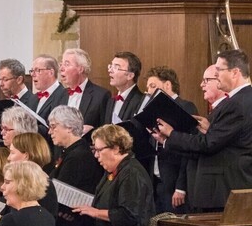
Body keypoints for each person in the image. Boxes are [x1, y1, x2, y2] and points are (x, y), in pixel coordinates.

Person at [155, 50, 252, 211]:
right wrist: (210, 129)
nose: (217, 74)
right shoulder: (241, 100)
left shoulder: (236, 103)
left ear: (235, 73)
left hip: (224, 190)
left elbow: (208, 145)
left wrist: (171, 134)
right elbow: (227, 140)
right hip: (225, 190)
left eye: (219, 70)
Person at [73, 124, 155, 226]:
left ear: (116, 149)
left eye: (99, 150)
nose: (96, 155)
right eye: (93, 150)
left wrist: (95, 212)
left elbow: (129, 214)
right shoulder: (112, 171)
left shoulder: (132, 173)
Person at [47, 106, 104, 226]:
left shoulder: (78, 156)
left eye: (54, 126)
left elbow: (60, 194)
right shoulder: (72, 152)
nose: (50, 131)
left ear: (69, 127)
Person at [144, 66, 197, 214]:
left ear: (167, 85)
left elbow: (189, 148)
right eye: (147, 87)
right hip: (156, 180)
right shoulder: (153, 109)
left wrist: (181, 187)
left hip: (174, 181)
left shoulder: (186, 106)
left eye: (153, 86)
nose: (148, 91)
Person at [59, 48, 110, 133]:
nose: (61, 68)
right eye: (61, 64)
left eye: (67, 64)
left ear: (80, 69)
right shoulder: (61, 94)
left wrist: (92, 131)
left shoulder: (101, 95)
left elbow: (106, 129)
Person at [104, 51, 145, 124]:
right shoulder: (110, 101)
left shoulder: (141, 101)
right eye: (111, 66)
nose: (110, 70)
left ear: (130, 76)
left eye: (116, 67)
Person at [30, 54, 67, 121]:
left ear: (51, 73)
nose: (32, 74)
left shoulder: (64, 96)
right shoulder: (33, 98)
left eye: (37, 70)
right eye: (32, 71)